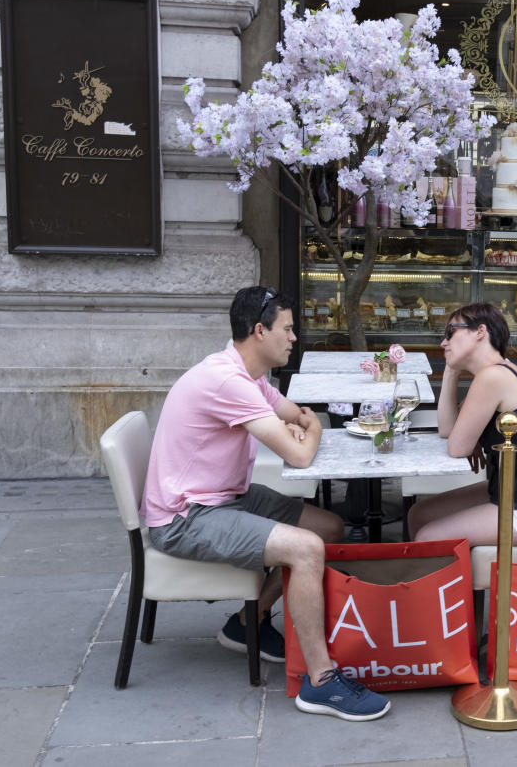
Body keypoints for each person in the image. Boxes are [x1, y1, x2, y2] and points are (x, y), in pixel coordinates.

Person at [141, 286, 390, 722]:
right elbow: (300, 449)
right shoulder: (227, 381)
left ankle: (247, 621)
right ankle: (321, 682)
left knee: (328, 528)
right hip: (187, 516)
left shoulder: (250, 376)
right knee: (307, 548)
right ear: (260, 331)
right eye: (288, 329)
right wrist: (307, 434)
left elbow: (296, 415)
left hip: (226, 497)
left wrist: (302, 428)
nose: (294, 337)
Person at [407, 303, 517, 546]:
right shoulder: (497, 371)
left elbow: (457, 448)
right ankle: (447, 582)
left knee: (429, 536)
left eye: (450, 333)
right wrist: (450, 371)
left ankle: (448, 584)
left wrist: (470, 440)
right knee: (419, 514)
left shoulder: (493, 377)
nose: (443, 344)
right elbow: (448, 430)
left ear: (480, 331)